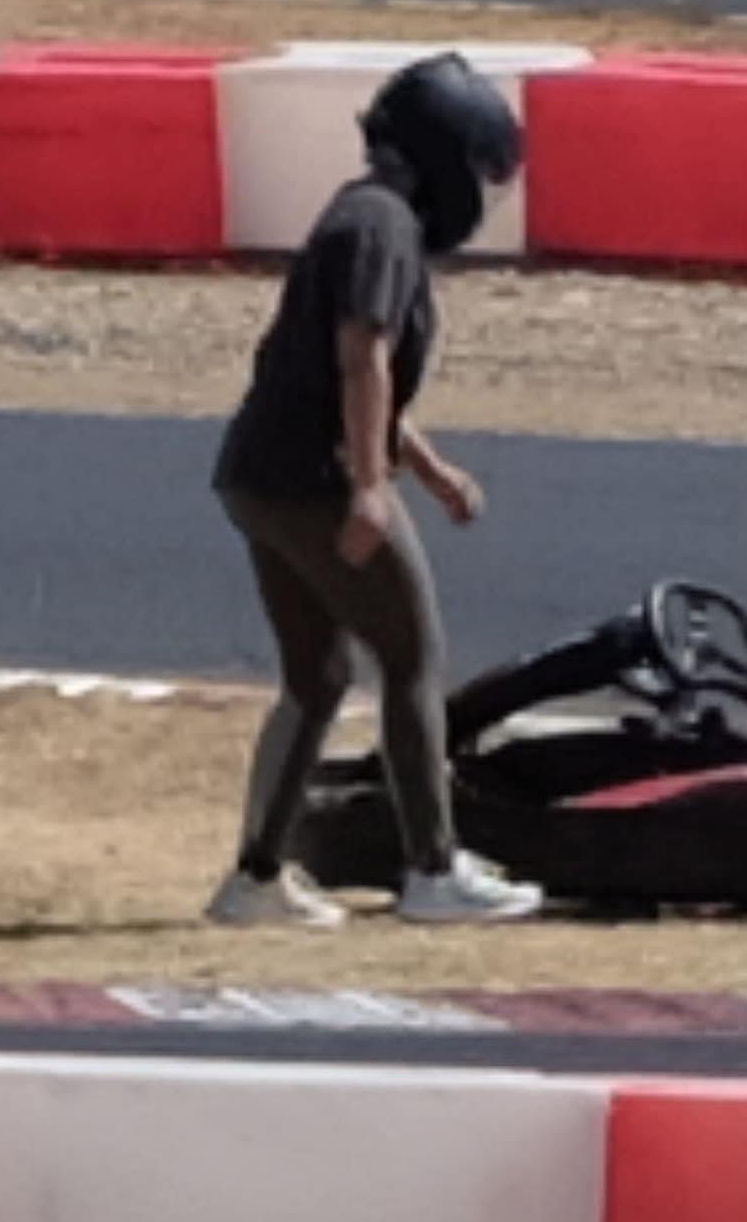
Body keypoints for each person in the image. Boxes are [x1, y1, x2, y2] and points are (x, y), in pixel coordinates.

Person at [205, 53, 544, 926]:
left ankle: (254, 880)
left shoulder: (360, 214)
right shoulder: (382, 228)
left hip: (260, 476)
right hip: (315, 481)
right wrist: (368, 488)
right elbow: (363, 355)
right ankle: (433, 870)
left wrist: (426, 470)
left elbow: (351, 375)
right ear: (446, 160)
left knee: (317, 677)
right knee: (412, 657)